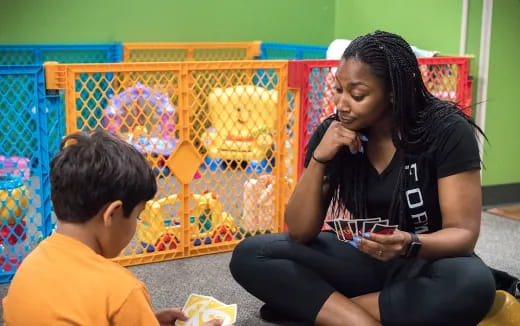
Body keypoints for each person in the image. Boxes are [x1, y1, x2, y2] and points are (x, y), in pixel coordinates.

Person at [230, 31, 496, 326]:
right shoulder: (334, 132)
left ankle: (322, 312)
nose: (342, 104)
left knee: (472, 284)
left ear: (393, 93)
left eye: (357, 95)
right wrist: (320, 158)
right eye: (338, 90)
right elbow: (300, 231)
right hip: (364, 259)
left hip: (426, 261)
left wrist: (409, 242)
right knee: (251, 255)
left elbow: (463, 233)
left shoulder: (445, 130)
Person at [3, 131, 222, 326]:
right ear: (112, 214)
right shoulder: (122, 292)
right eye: (137, 215)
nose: (136, 224)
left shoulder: (29, 268)